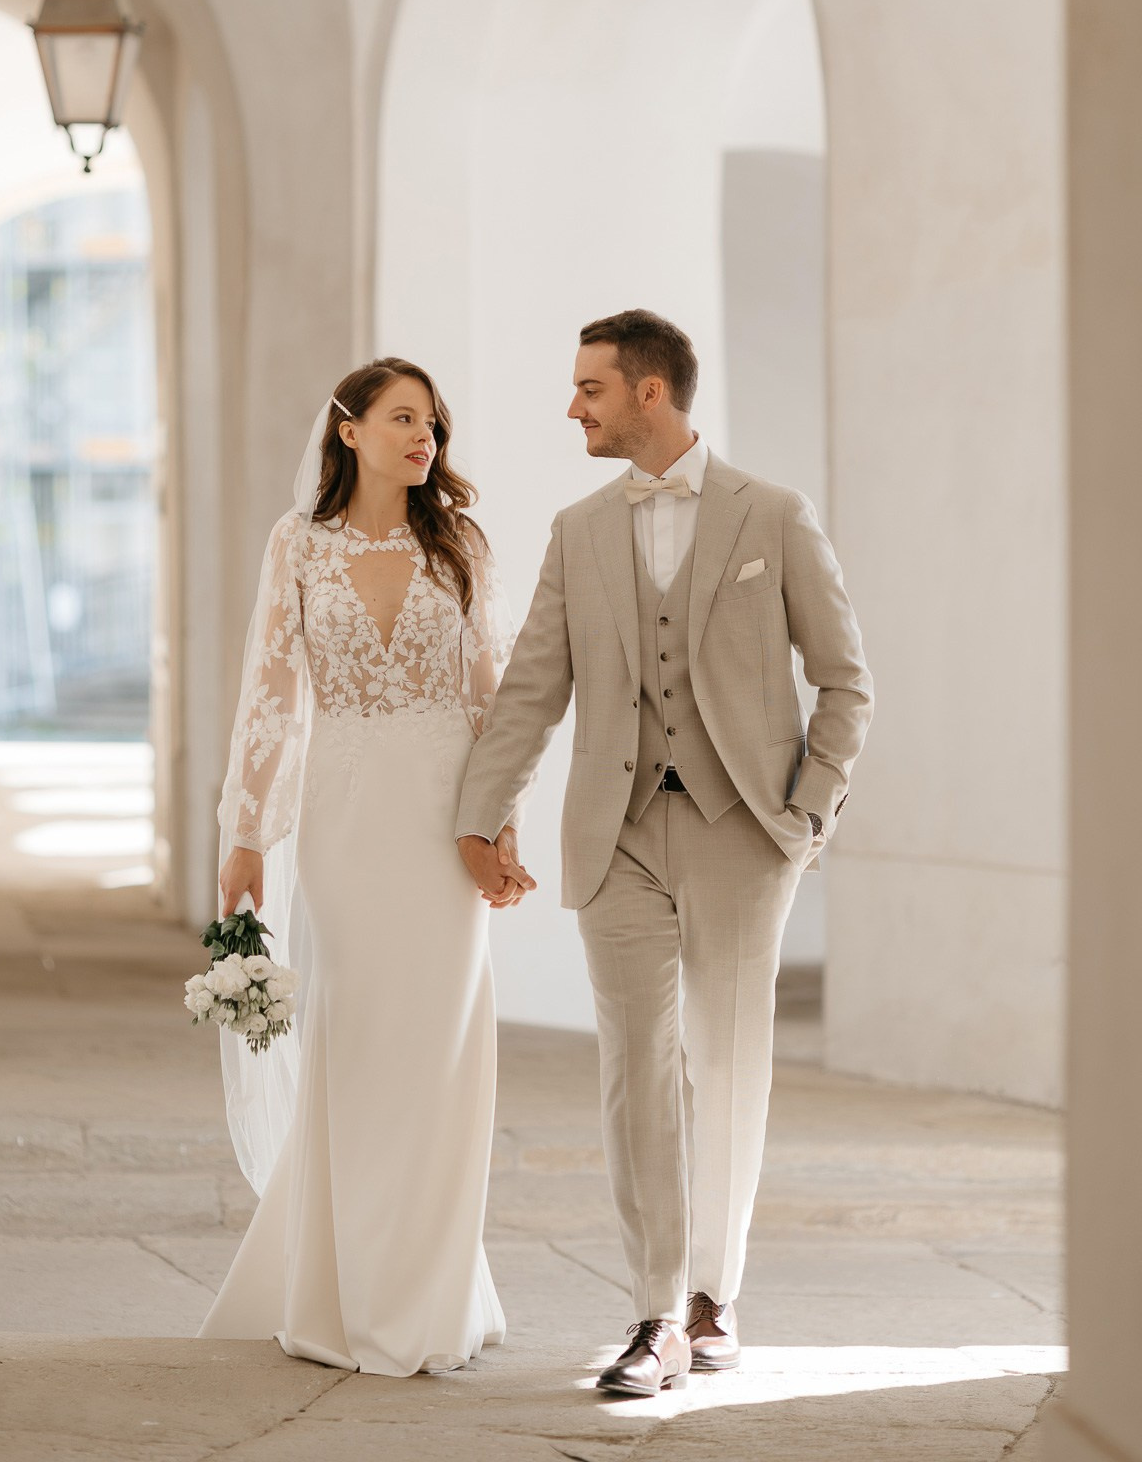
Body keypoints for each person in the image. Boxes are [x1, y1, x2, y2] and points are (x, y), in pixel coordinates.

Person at [455, 309, 873, 1397]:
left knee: (725, 1070)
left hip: (744, 832)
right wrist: (476, 812)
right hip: (617, 833)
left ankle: (712, 1298)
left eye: (589, 386)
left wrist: (807, 813)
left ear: (650, 392)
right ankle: (652, 1314)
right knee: (634, 1070)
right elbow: (531, 687)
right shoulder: (577, 529)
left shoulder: (773, 516)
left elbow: (843, 680)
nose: (571, 406)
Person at [197, 357, 534, 1376]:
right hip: (343, 820)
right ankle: (342, 1286)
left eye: (430, 423)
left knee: (434, 1046)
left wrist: (499, 824)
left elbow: (489, 696)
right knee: (359, 1035)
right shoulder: (296, 545)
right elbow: (267, 691)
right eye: (399, 419)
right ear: (347, 431)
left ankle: (421, 1291)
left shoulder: (460, 543)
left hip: (441, 820)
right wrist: (247, 835)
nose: (421, 438)